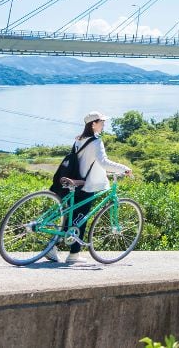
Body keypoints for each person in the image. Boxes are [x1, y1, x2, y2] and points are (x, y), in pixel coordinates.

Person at [47, 111, 132, 263]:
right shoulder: (96, 141)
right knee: (81, 219)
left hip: (75, 180)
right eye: (101, 122)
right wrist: (123, 168)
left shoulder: (79, 139)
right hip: (87, 184)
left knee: (71, 216)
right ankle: (68, 252)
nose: (104, 124)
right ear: (93, 124)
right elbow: (104, 162)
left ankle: (64, 250)